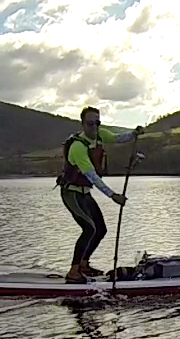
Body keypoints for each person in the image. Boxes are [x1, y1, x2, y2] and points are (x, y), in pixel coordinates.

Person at [56, 106, 144, 283]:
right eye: (90, 124)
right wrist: (113, 196)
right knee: (89, 228)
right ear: (82, 124)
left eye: (97, 123)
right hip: (71, 193)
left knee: (101, 230)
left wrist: (134, 133)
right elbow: (92, 176)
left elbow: (118, 138)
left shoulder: (100, 135)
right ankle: (73, 272)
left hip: (85, 193)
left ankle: (83, 264)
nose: (94, 127)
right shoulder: (78, 148)